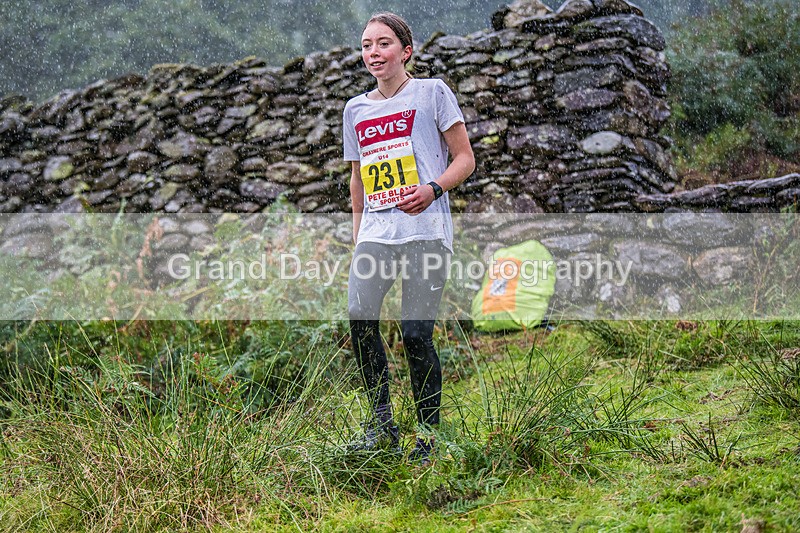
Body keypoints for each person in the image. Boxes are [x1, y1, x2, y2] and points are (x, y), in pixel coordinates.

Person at [342, 12, 475, 465]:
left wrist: (433, 188)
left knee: (416, 334)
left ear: (406, 51)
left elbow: (465, 159)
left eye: (382, 44)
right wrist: (359, 238)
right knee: (360, 316)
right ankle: (382, 424)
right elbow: (358, 180)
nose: (373, 53)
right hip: (377, 232)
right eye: (366, 45)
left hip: (426, 229)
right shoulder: (355, 109)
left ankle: (428, 437)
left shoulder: (432, 93)